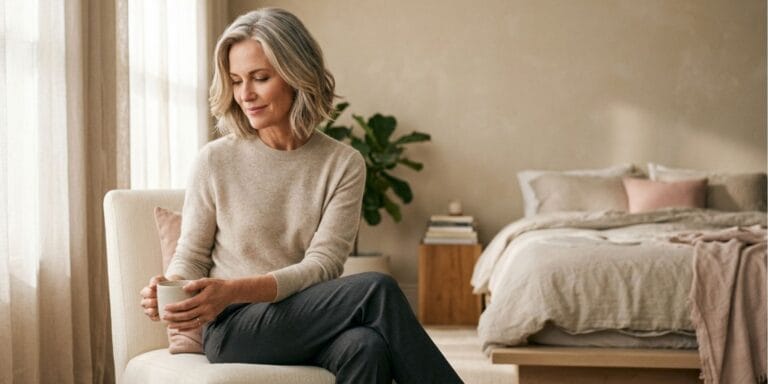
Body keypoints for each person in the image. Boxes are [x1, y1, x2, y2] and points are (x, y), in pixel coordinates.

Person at [139, 8, 462, 384]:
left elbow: (324, 264)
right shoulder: (215, 160)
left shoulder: (343, 164)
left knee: (366, 346)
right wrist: (171, 288)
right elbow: (192, 255)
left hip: (306, 320)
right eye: (236, 81)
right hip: (234, 327)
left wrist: (231, 289)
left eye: (260, 78)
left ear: (297, 75)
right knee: (378, 289)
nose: (245, 95)